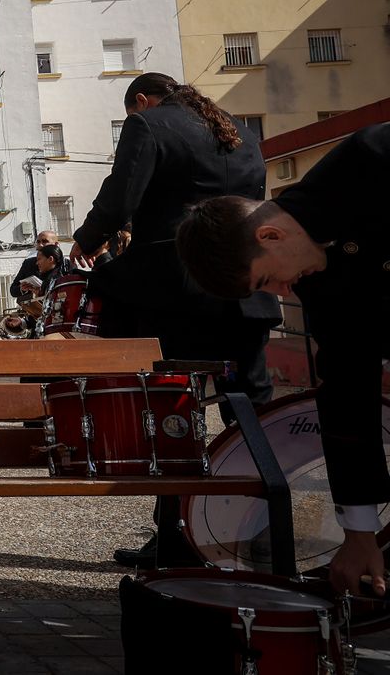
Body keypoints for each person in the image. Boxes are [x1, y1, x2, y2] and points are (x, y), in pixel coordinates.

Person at [68, 72, 280, 569]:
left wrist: (88, 239)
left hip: (176, 290)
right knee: (252, 412)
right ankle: (265, 532)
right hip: (243, 289)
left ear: (142, 100)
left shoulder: (148, 124)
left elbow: (122, 197)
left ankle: (175, 539)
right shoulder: (241, 130)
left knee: (174, 412)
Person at [175, 123, 390, 599]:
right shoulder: (320, 282)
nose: (283, 291)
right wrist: (359, 531)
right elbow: (348, 391)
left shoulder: (374, 156)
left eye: (266, 280)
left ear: (270, 235)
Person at [9, 230, 59, 299]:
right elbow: (13, 290)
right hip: (35, 304)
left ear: (56, 244)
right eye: (38, 242)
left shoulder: (66, 265)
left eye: (45, 241)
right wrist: (22, 288)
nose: (40, 245)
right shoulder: (29, 263)